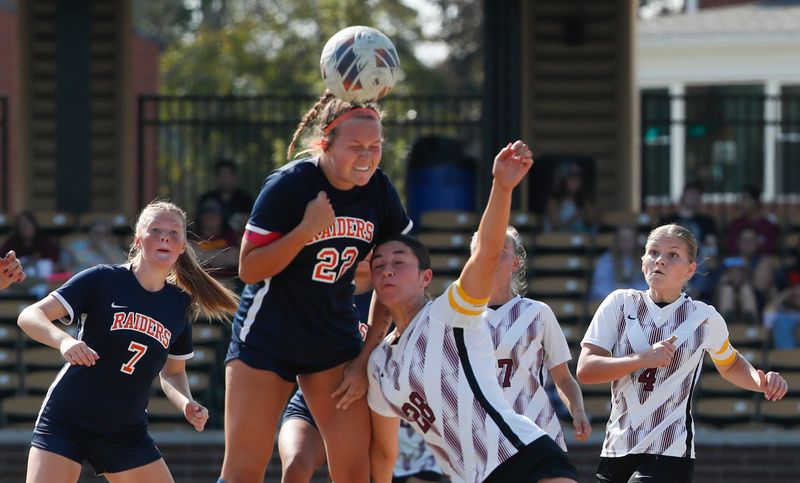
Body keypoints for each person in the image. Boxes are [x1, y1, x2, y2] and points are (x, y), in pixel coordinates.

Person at [220, 92, 413, 483]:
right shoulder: (290, 184)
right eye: (355, 146)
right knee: (243, 470)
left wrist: (366, 355)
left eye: (375, 146)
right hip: (268, 334)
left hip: (332, 335)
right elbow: (250, 268)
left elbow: (394, 277)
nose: (367, 156)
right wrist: (306, 230)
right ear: (324, 144)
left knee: (355, 470)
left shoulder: (379, 189)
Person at [368, 140, 579, 483]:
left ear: (426, 278)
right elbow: (383, 451)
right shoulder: (379, 364)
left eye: (399, 262)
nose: (388, 269)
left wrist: (501, 187)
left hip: (522, 451)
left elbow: (484, 254)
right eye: (379, 264)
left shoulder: (448, 313)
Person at [16, 200, 239, 483]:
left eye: (174, 233)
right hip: (68, 418)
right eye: (156, 229)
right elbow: (29, 315)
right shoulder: (103, 279)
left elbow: (172, 372)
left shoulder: (180, 304)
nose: (165, 237)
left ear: (182, 246)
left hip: (125, 431)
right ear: (138, 239)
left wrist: (186, 403)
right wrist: (64, 342)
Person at [577, 223, 788, 483]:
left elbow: (731, 365)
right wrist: (642, 359)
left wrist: (761, 382)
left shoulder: (704, 318)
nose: (660, 261)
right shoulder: (618, 303)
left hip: (670, 451)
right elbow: (586, 370)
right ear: (643, 260)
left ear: (690, 270)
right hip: (617, 447)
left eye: (672, 255)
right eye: (653, 252)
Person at [478, 225, 591, 451]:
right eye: (484, 251)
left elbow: (563, 378)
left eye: (501, 252)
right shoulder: (459, 319)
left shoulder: (538, 313)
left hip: (535, 429)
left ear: (515, 263)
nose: (492, 258)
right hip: (482, 435)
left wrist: (578, 411)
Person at [590, 225, 649, 304]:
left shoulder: (646, 261)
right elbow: (599, 287)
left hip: (638, 304)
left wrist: (631, 295)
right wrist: (618, 295)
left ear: (636, 240)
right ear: (617, 241)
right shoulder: (606, 260)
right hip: (612, 304)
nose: (626, 242)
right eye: (623, 239)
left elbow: (649, 286)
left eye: (630, 239)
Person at [189, 198, 241, 285]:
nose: (212, 218)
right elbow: (190, 258)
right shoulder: (192, 235)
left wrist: (203, 255)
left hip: (230, 282)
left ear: (222, 217)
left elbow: (235, 259)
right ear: (201, 217)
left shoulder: (229, 234)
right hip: (200, 283)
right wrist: (223, 255)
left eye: (216, 215)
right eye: (208, 215)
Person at [197, 158, 255, 235]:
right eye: (222, 175)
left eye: (228, 175)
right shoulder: (207, 199)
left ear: (235, 177)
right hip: (210, 242)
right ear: (216, 177)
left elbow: (252, 223)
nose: (225, 179)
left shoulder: (245, 199)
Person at [544, 162, 599, 233]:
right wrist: (573, 219)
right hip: (558, 240)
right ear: (564, 181)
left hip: (581, 240)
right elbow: (554, 226)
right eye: (570, 179)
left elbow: (594, 221)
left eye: (577, 179)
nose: (574, 182)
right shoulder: (554, 200)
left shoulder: (585, 199)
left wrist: (588, 216)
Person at [725, 184, 779, 256]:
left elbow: (769, 250)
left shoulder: (767, 226)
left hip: (761, 263)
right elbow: (732, 247)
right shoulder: (735, 224)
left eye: (745, 199)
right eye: (740, 199)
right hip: (738, 262)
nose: (741, 203)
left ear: (755, 201)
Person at [61, 219, 128, 273]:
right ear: (90, 234)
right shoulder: (76, 248)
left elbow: (123, 269)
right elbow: (64, 268)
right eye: (98, 233)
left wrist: (106, 249)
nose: (102, 237)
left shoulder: (114, 250)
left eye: (106, 234)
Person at [763, 281, 800, 350]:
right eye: (797, 296)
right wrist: (786, 293)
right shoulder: (783, 312)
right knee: (782, 320)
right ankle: (786, 357)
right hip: (787, 352)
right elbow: (767, 321)